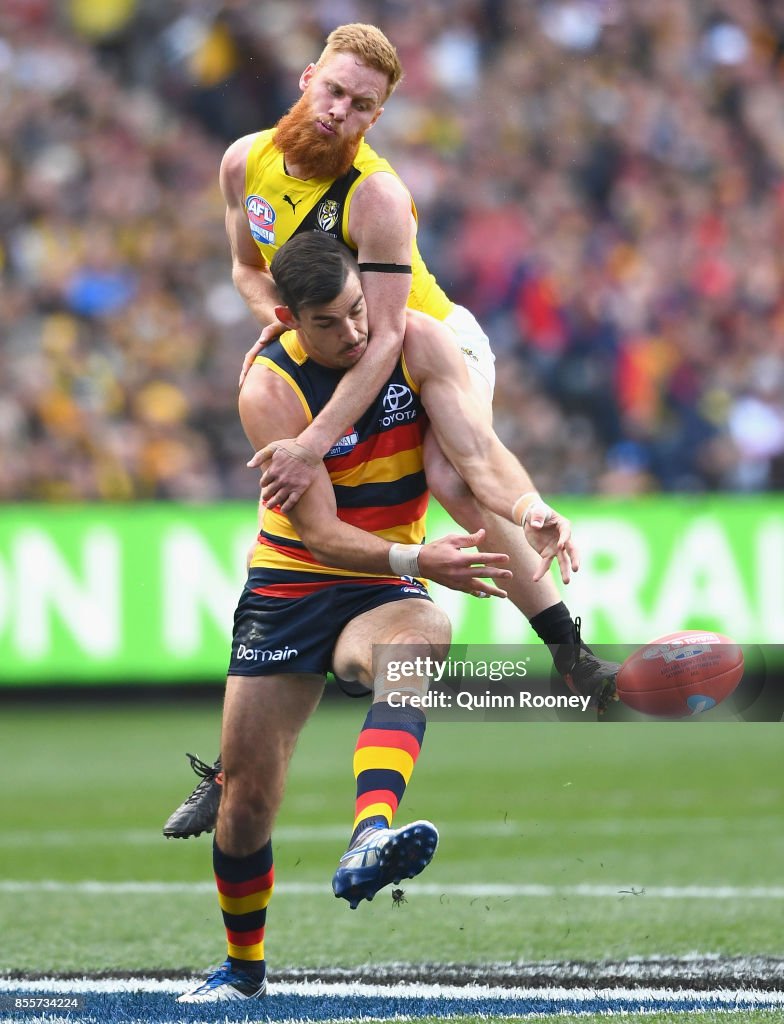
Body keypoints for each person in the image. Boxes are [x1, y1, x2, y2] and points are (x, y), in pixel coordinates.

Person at [163, 21, 616, 840]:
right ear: (306, 79)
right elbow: (244, 265)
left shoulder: (375, 196)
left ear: (376, 119)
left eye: (362, 105)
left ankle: (570, 653)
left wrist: (311, 440)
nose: (340, 111)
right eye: (333, 91)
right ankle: (238, 765)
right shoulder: (244, 161)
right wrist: (282, 318)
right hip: (343, 347)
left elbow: (388, 341)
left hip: (426, 343)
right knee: (300, 536)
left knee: (452, 479)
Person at [178, 233, 579, 1002]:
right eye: (330, 322)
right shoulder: (270, 390)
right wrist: (421, 562)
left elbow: (479, 452)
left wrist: (533, 508)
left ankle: (370, 834)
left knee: (424, 635)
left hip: (382, 587)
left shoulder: (418, 340)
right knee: (248, 800)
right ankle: (243, 968)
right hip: (294, 585)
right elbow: (322, 535)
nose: (356, 333)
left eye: (360, 309)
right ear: (290, 317)